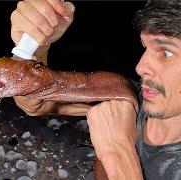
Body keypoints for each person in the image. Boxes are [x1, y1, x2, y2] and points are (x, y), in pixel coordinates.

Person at [10, 0, 181, 179]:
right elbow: (35, 104)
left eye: (166, 53)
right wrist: (33, 49)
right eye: (145, 47)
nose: (140, 67)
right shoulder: (125, 96)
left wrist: (117, 151)